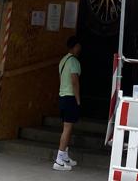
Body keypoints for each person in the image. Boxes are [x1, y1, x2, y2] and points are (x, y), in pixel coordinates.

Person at [54, 35, 82, 172]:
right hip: (70, 97)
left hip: (62, 96)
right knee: (67, 128)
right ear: (75, 46)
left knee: (67, 127)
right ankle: (59, 159)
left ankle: (64, 155)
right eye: (79, 46)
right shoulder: (74, 62)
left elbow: (61, 79)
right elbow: (74, 81)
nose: (80, 48)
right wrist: (78, 100)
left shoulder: (62, 61)